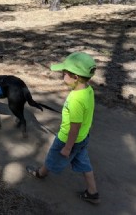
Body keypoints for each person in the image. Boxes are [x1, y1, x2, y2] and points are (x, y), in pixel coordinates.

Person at [26, 52, 100, 204]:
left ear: (75, 77)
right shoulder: (88, 90)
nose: (62, 76)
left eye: (64, 73)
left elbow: (75, 126)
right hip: (83, 138)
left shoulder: (75, 99)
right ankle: (92, 192)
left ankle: (40, 173)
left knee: (52, 158)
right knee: (84, 163)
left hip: (68, 139)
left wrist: (67, 147)